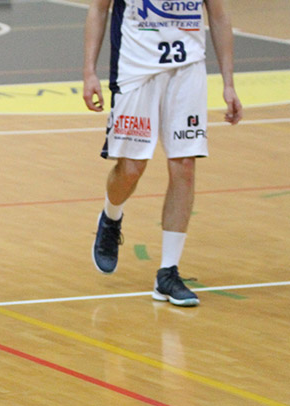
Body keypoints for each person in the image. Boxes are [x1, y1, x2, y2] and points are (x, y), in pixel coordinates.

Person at [84, 0, 242, 306]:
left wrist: (229, 84)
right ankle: (111, 216)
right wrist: (89, 72)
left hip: (187, 69)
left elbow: (220, 16)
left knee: (184, 166)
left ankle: (168, 272)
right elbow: (98, 9)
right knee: (131, 169)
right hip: (135, 68)